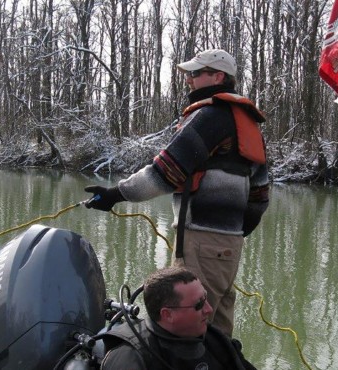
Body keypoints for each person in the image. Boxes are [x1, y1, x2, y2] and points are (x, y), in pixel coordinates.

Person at [84, 49, 269, 337]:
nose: (188, 80)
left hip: (202, 242)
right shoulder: (248, 124)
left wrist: (114, 194)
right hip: (229, 246)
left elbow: (164, 173)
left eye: (196, 73)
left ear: (218, 76)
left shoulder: (209, 117)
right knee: (216, 329)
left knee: (186, 328)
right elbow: (260, 196)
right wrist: (232, 232)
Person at [100, 266, 257, 370]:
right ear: (167, 314)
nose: (209, 309)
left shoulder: (214, 340)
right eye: (198, 305)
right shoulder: (130, 357)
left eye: (206, 298)